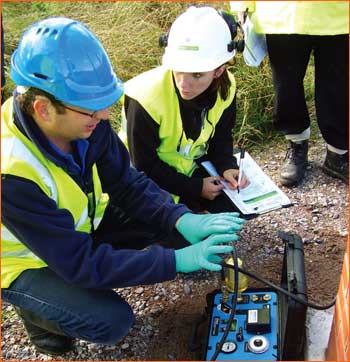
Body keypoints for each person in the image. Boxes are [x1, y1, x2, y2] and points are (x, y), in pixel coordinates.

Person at [1, 17, 246, 356]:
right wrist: (173, 261)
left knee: (156, 219)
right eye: (91, 109)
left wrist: (180, 218)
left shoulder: (84, 121)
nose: (104, 114)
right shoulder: (11, 174)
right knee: (111, 321)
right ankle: (35, 311)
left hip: (77, 228)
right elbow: (81, 264)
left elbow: (128, 184)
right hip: (28, 261)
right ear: (43, 109)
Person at [121, 6, 248, 214]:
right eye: (179, 70)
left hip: (187, 170)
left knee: (238, 207)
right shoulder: (144, 96)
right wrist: (195, 189)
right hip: (144, 181)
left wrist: (227, 166)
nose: (184, 84)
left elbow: (222, 136)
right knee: (178, 239)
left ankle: (192, 208)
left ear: (219, 70)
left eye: (196, 75)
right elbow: (144, 165)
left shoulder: (228, 86)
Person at [230, 1, 349, 186]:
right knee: (286, 86)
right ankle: (296, 145)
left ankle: (338, 153)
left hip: (340, 14)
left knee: (338, 86)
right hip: (283, 14)